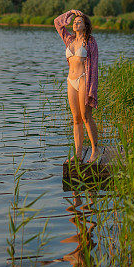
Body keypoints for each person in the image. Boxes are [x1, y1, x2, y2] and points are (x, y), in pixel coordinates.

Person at [54, 9, 100, 163]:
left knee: (86, 117)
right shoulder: (69, 39)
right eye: (74, 21)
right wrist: (70, 12)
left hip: (84, 80)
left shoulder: (90, 42)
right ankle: (78, 154)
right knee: (76, 119)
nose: (75, 23)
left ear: (85, 26)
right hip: (70, 81)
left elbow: (93, 67)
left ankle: (95, 150)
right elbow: (57, 23)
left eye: (79, 21)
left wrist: (92, 88)